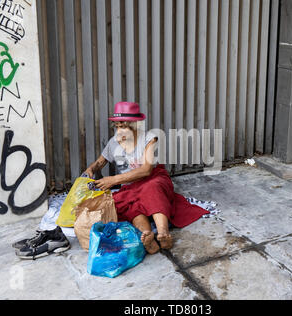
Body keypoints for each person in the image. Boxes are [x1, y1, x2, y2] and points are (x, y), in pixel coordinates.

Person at [84, 102, 208, 254]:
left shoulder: (149, 138)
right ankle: (147, 235)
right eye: (116, 126)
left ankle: (163, 234)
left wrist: (113, 180)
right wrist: (91, 169)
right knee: (128, 205)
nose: (118, 130)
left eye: (123, 126)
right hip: (129, 186)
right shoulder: (113, 142)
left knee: (152, 189)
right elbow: (100, 162)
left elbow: (146, 170)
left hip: (151, 179)